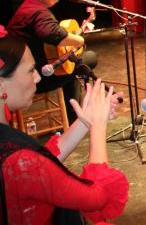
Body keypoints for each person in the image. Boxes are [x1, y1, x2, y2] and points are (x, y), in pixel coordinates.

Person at [0, 28, 128, 224]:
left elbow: (40, 160)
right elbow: (97, 197)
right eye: (30, 70)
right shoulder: (17, 160)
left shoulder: (13, 149)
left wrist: (85, 121)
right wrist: (98, 127)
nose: (37, 77)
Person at [7, 0, 94, 124]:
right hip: (36, 78)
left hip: (18, 77)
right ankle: (77, 118)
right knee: (88, 59)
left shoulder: (27, 8)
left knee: (71, 65)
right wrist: (79, 39)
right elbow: (53, 34)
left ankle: (74, 117)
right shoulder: (38, 12)